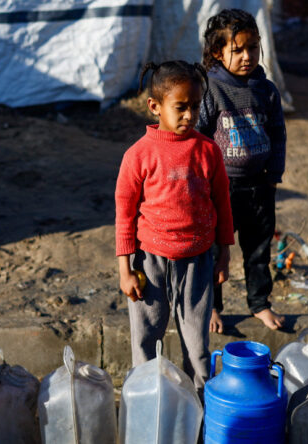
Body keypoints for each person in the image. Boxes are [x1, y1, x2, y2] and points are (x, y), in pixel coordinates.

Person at [115, 60, 234, 394]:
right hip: (149, 262)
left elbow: (223, 206)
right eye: (181, 107)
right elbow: (124, 215)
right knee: (146, 339)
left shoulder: (208, 151)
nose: (189, 115)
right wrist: (125, 270)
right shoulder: (138, 155)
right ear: (155, 107)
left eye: (195, 106)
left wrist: (224, 255)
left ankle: (200, 404)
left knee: (197, 345)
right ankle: (145, 400)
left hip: (198, 260)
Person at [196, 8, 287, 331]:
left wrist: (273, 177)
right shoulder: (211, 89)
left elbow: (277, 134)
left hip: (260, 185)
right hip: (220, 188)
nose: (247, 56)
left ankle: (260, 303)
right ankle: (211, 307)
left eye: (253, 47)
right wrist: (202, 182)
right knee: (212, 249)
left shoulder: (266, 90)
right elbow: (198, 136)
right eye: (237, 50)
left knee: (259, 248)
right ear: (217, 53)